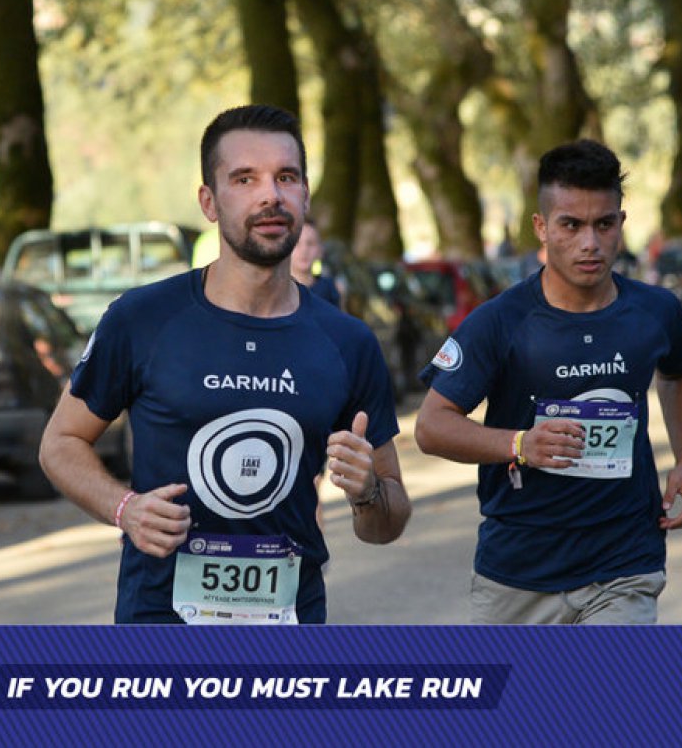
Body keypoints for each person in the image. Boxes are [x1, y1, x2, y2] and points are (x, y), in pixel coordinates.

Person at [38, 104, 411, 624]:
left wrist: (368, 492)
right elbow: (60, 443)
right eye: (244, 179)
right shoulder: (142, 319)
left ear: (305, 195)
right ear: (209, 202)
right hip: (159, 626)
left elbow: (386, 525)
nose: (270, 195)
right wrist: (125, 509)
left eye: (286, 177)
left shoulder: (347, 342)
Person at [414, 139, 682, 624]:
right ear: (541, 227)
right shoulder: (499, 321)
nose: (590, 242)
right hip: (519, 572)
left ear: (621, 224)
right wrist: (520, 444)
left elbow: (680, 374)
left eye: (604, 224)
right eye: (571, 225)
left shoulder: (657, 311)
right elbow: (431, 426)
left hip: (625, 561)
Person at [290, 217, 341, 307]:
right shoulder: (276, 288)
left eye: (310, 243)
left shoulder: (331, 289)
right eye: (297, 243)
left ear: (320, 250)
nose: (304, 250)